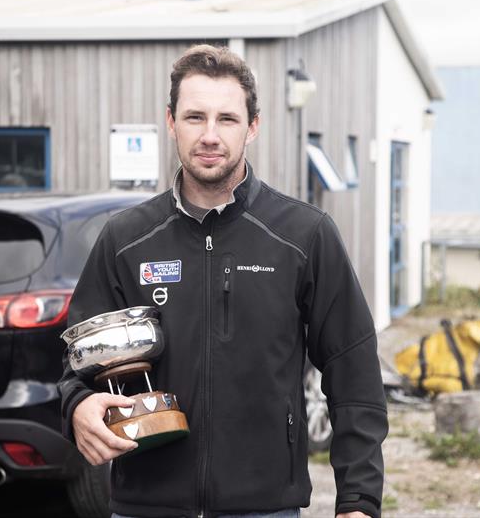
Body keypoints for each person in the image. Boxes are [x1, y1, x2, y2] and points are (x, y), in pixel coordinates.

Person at [58, 44, 387, 518]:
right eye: (195, 117)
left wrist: (358, 500)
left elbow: (353, 372)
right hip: (146, 506)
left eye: (227, 119)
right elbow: (77, 358)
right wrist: (78, 405)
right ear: (171, 122)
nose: (210, 135)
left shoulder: (303, 236)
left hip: (265, 507)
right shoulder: (126, 239)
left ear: (253, 126)